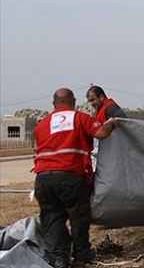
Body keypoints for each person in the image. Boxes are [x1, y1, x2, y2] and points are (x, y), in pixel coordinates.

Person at [33, 88, 118, 268]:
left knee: (52, 219)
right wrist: (111, 123)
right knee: (79, 217)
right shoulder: (80, 118)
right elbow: (102, 133)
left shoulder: (41, 124)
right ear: (73, 102)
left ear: (53, 104)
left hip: (43, 178)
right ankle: (81, 255)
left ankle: (60, 259)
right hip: (70, 176)